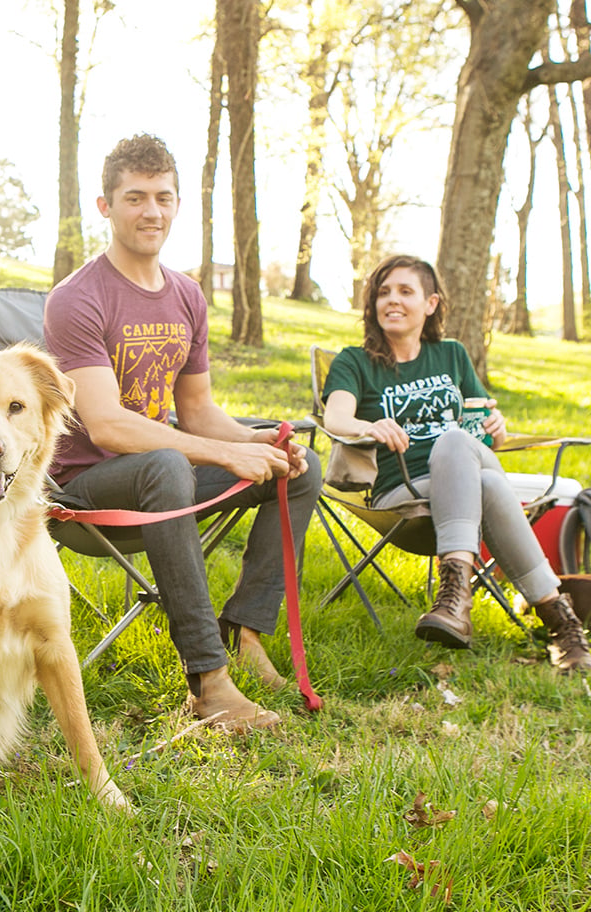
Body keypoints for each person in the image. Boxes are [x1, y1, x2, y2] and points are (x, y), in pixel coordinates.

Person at [43, 134, 321, 728]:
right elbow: (109, 426)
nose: (152, 212)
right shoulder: (77, 299)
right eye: (135, 198)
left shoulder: (187, 295)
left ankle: (245, 629)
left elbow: (197, 413)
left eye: (163, 197)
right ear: (106, 206)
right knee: (168, 463)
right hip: (87, 494)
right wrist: (220, 451)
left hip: (163, 479)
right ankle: (208, 680)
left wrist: (257, 443)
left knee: (297, 467)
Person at [322, 253, 591, 672]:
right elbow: (335, 417)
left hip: (462, 467)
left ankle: (453, 598)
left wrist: (496, 426)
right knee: (489, 485)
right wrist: (369, 426)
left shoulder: (451, 355)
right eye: (383, 292)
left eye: (405, 291)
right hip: (405, 492)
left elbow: (482, 425)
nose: (391, 300)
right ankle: (561, 622)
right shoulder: (354, 361)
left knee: (454, 442)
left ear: (430, 304)